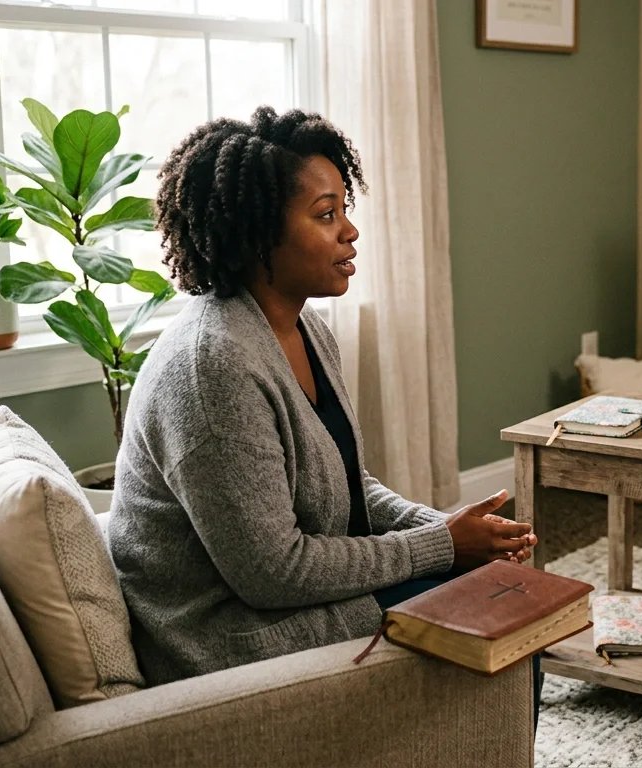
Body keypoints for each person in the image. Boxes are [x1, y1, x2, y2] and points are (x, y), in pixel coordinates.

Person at [108, 106, 537, 685]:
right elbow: (273, 572)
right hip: (228, 636)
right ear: (259, 232)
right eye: (325, 214)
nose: (350, 231)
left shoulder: (305, 328)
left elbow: (348, 485)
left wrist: (444, 526)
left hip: (279, 602)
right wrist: (440, 546)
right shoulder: (213, 369)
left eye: (345, 210)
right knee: (497, 616)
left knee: (500, 603)